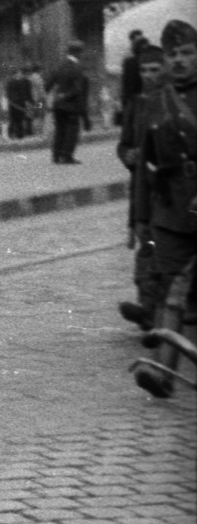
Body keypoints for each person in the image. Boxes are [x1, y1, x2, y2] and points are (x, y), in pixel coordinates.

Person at [135, 20, 197, 343]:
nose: (179, 60)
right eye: (173, 54)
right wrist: (141, 218)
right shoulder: (155, 102)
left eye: (186, 52)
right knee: (171, 289)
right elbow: (146, 166)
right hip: (171, 212)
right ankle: (162, 370)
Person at [117, 43, 167, 329]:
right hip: (143, 190)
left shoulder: (175, 99)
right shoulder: (136, 104)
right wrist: (128, 154)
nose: (149, 75)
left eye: (154, 70)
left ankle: (160, 311)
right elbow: (123, 143)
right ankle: (148, 309)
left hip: (170, 189)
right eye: (144, 70)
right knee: (146, 248)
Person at [45, 41, 90, 164]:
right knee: (72, 131)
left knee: (60, 130)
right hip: (72, 105)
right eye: (81, 52)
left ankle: (56, 156)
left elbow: (47, 85)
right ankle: (66, 156)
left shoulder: (59, 65)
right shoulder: (78, 67)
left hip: (58, 105)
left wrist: (56, 96)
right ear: (78, 52)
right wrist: (65, 95)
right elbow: (78, 89)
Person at [119, 30, 147, 122]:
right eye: (136, 37)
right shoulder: (128, 56)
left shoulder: (148, 56)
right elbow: (126, 81)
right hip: (135, 98)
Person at [3, 65, 35, 140]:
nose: (19, 75)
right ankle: (19, 134)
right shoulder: (22, 82)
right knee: (19, 119)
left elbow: (8, 93)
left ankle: (11, 134)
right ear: (16, 74)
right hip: (19, 103)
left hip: (12, 103)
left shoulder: (9, 82)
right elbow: (24, 93)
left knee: (13, 119)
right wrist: (29, 101)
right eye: (18, 73)